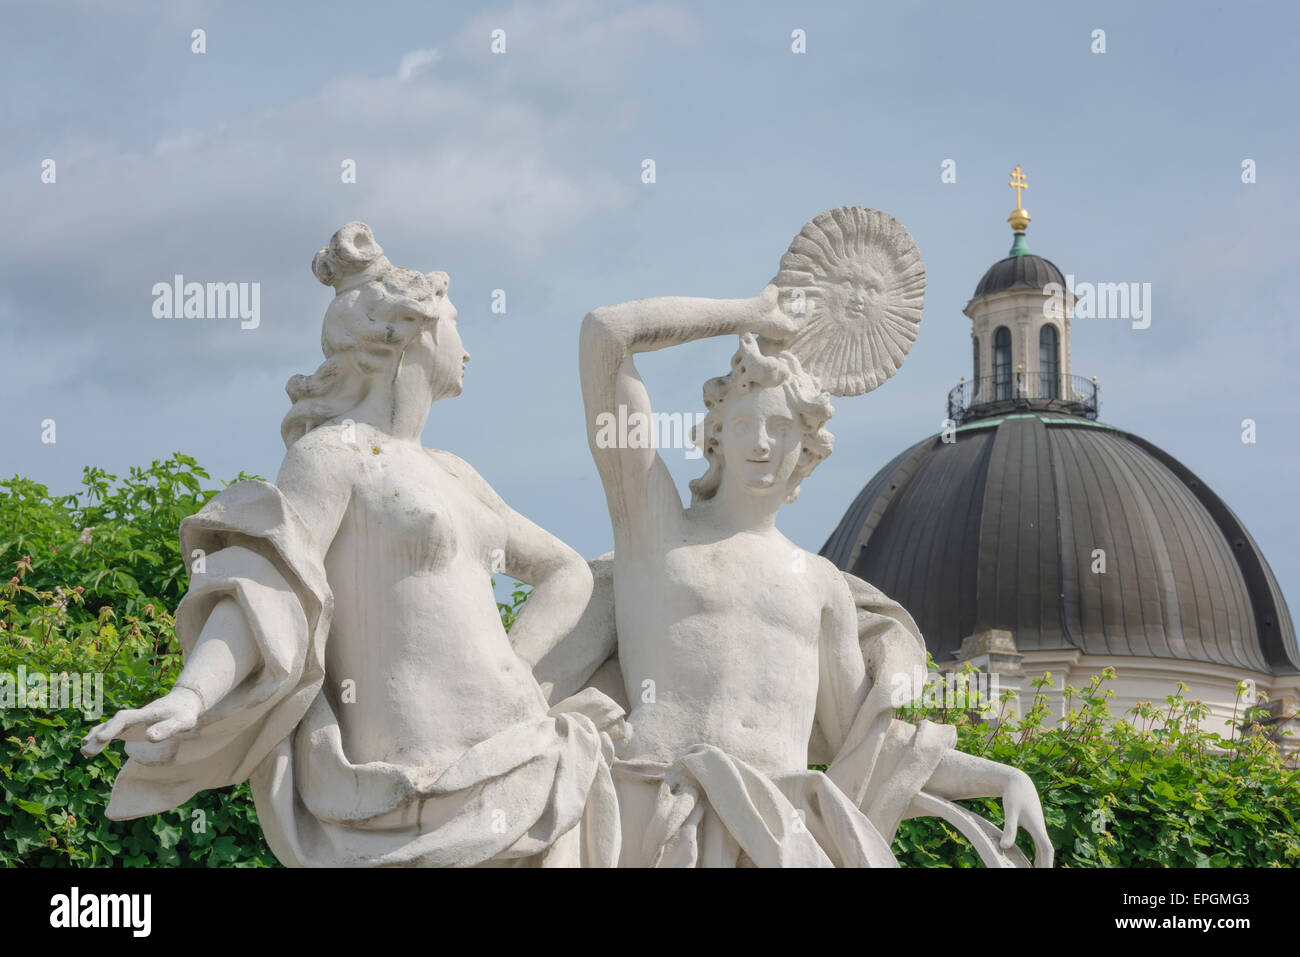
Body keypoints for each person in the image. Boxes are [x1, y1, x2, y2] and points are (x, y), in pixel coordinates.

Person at [82, 223, 623, 867]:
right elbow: (268, 587)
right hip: (413, 774)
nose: (468, 349)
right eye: (454, 324)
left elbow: (566, 571)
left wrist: (520, 665)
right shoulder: (332, 457)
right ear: (409, 333)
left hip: (522, 753)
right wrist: (192, 694)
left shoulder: (457, 474)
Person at [573, 285, 1053, 866]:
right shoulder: (655, 532)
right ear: (715, 434)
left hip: (781, 832)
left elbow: (870, 745)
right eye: (746, 422)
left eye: (781, 429)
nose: (762, 443)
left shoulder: (820, 583)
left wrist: (1001, 777)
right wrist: (745, 314)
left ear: (807, 448)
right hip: (656, 813)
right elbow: (605, 334)